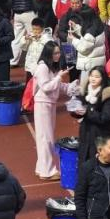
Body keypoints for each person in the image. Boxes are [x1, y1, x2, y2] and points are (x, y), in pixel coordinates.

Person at [32, 41, 77, 181]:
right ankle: (47, 170)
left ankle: (42, 167)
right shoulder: (42, 67)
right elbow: (46, 87)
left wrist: (71, 87)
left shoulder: (51, 66)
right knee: (46, 138)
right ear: (49, 54)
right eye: (55, 53)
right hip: (43, 104)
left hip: (49, 104)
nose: (58, 55)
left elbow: (57, 85)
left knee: (45, 137)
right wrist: (59, 77)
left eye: (58, 53)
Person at [77, 67, 110, 165]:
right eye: (91, 76)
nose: (93, 79)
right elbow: (80, 109)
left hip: (101, 135)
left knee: (98, 162)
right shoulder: (85, 91)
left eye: (97, 77)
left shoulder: (107, 95)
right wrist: (74, 110)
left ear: (103, 78)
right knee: (84, 161)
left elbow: (106, 117)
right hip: (86, 132)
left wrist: (88, 112)